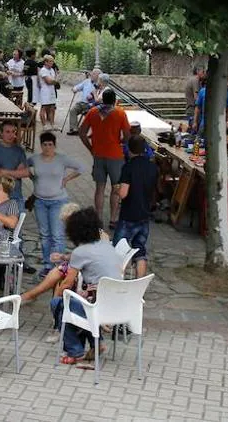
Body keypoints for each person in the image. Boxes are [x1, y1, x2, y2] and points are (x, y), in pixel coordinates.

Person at [52, 207, 121, 366]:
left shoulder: (81, 251)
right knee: (79, 303)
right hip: (118, 304)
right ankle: (98, 343)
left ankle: (75, 351)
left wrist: (58, 295)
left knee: (58, 305)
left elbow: (67, 284)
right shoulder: (106, 245)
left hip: (99, 307)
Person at [28, 130, 83, 275]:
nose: (47, 148)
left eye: (50, 144)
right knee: (44, 234)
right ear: (41, 146)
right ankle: (47, 264)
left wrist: (67, 179)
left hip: (58, 201)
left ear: (55, 145)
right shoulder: (35, 159)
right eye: (44, 145)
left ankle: (59, 266)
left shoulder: (62, 159)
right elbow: (25, 169)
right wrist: (33, 179)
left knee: (57, 235)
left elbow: (81, 167)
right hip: (40, 201)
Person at [79, 88, 130, 228]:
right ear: (114, 100)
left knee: (99, 188)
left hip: (98, 155)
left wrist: (91, 148)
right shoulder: (120, 113)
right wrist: (121, 143)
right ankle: (113, 219)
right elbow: (127, 135)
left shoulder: (93, 112)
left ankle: (99, 218)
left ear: (102, 99)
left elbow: (81, 132)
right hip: (115, 156)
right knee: (116, 188)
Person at [114, 132, 157, 278]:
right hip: (144, 213)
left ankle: (117, 281)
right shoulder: (152, 167)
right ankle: (139, 286)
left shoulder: (128, 167)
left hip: (128, 215)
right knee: (140, 250)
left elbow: (124, 193)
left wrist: (117, 189)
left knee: (118, 250)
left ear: (129, 149)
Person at [0, 120, 30, 204]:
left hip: (16, 197)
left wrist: (4, 171)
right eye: (7, 132)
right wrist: (15, 174)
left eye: (13, 132)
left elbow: (25, 173)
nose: (11, 135)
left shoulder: (19, 150)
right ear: (1, 133)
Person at [66, 68, 101, 135]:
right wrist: (74, 89)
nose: (92, 75)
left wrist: (93, 96)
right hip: (82, 103)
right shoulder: (86, 81)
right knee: (73, 110)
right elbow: (77, 87)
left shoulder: (99, 84)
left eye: (94, 74)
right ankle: (74, 129)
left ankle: (91, 131)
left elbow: (100, 95)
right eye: (92, 73)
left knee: (89, 114)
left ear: (98, 76)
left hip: (91, 104)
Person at [36, 53, 59, 128]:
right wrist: (55, 80)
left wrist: (54, 80)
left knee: (52, 108)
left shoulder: (52, 69)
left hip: (52, 91)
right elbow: (49, 82)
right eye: (50, 61)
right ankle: (44, 125)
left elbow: (54, 80)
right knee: (44, 108)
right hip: (45, 92)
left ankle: (52, 125)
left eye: (52, 61)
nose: (52, 63)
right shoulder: (43, 70)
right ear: (45, 62)